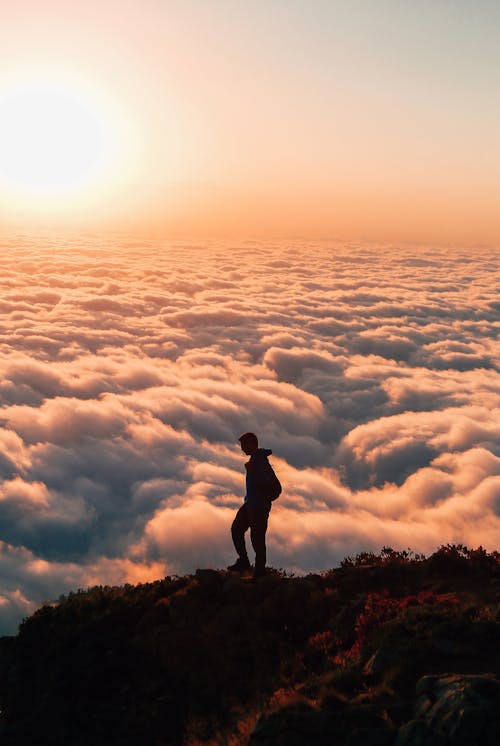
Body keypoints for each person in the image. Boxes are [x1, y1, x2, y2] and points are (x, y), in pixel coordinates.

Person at [228, 432, 278, 579]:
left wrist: (252, 472)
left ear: (251, 444)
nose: (242, 449)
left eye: (243, 445)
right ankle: (244, 561)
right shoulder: (255, 460)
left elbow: (265, 483)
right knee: (236, 529)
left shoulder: (260, 462)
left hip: (259, 506)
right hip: (250, 503)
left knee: (257, 539)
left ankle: (259, 572)